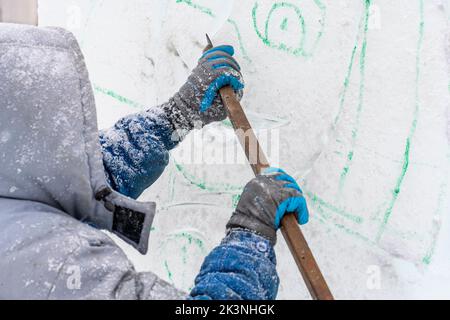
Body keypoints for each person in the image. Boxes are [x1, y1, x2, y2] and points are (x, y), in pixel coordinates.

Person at [0, 23, 309, 299]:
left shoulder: (13, 193)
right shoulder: (48, 268)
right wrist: (249, 237)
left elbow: (67, 176)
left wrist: (175, 116)